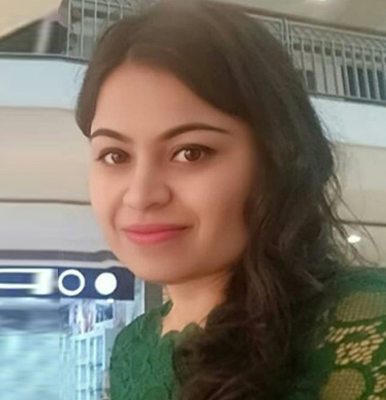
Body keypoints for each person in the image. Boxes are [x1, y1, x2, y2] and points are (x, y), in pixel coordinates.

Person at [75, 1, 386, 399]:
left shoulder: (366, 323)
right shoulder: (131, 349)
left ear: (276, 158)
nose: (141, 196)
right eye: (115, 156)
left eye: (190, 152)